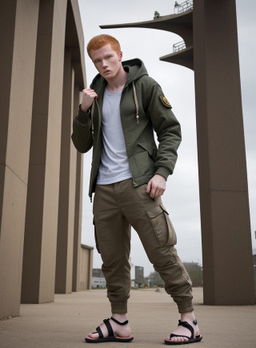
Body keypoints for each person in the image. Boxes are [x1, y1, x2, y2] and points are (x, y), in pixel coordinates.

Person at [72, 34, 202, 345]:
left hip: (140, 185)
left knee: (161, 250)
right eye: (97, 61)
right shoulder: (96, 94)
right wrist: (83, 111)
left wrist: (161, 172)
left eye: (108, 57)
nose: (103, 65)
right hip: (104, 189)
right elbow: (82, 144)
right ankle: (119, 322)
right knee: (113, 259)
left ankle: (189, 319)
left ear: (119, 54)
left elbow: (170, 130)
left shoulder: (145, 86)